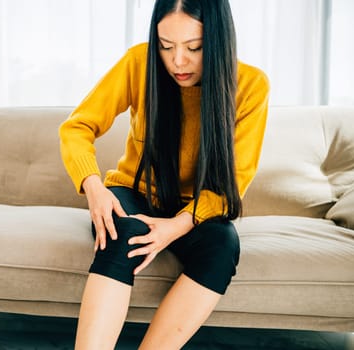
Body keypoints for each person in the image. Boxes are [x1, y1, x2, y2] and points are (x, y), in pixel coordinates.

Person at [59, 0, 269, 348]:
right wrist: (93, 187)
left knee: (223, 246)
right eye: (166, 46)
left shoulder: (251, 86)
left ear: (218, 41)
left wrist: (176, 226)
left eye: (195, 47)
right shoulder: (139, 62)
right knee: (121, 229)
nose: (178, 61)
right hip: (134, 190)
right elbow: (77, 127)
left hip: (196, 206)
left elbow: (234, 181)